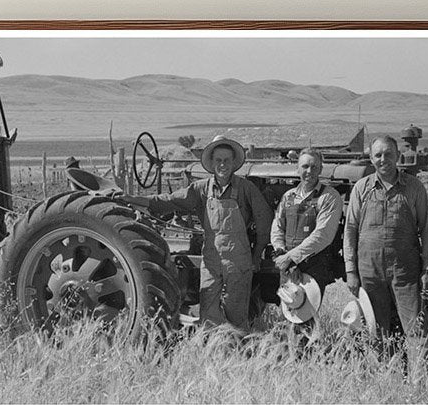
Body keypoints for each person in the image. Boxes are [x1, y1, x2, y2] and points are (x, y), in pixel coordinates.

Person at [121, 135, 271, 330]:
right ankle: (212, 351)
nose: (223, 165)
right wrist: (135, 200)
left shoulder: (246, 188)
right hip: (211, 259)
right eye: (218, 160)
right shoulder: (202, 189)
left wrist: (257, 255)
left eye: (227, 160)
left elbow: (264, 219)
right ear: (212, 163)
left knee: (236, 312)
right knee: (208, 310)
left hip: (238, 262)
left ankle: (238, 352)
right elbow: (172, 200)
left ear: (234, 163)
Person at [343, 135, 428, 344]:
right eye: (378, 155)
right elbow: (350, 231)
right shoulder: (361, 188)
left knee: (417, 329)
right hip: (369, 271)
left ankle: (421, 376)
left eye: (388, 154)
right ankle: (384, 374)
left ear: (398, 156)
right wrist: (351, 271)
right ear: (371, 158)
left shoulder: (414, 188)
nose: (383, 159)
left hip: (405, 271)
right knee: (375, 330)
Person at [270, 148, 343, 295]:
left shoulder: (329, 197)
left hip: (314, 266)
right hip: (287, 265)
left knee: (309, 312)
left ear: (321, 169)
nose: (309, 171)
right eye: (305, 166)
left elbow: (322, 235)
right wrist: (281, 254)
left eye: (314, 167)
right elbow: (277, 228)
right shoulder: (288, 196)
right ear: (297, 169)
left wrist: (291, 258)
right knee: (290, 308)